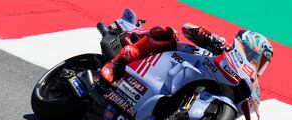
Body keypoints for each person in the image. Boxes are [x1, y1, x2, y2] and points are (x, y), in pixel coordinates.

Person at [99, 23, 273, 83]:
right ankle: (116, 65)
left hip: (182, 80)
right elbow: (186, 28)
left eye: (262, 63)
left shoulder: (242, 80)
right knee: (168, 32)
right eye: (258, 59)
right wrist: (204, 34)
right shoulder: (222, 47)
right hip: (171, 58)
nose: (257, 65)